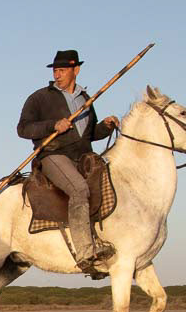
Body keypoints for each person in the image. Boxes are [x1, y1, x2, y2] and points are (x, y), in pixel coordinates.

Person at [17, 50, 120, 270]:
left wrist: (105, 126)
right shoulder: (40, 97)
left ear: (76, 70)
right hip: (53, 155)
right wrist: (53, 125)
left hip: (82, 158)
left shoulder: (86, 99)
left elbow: (89, 135)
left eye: (62, 70)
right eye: (55, 70)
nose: (57, 75)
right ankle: (85, 252)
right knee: (79, 189)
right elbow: (23, 128)